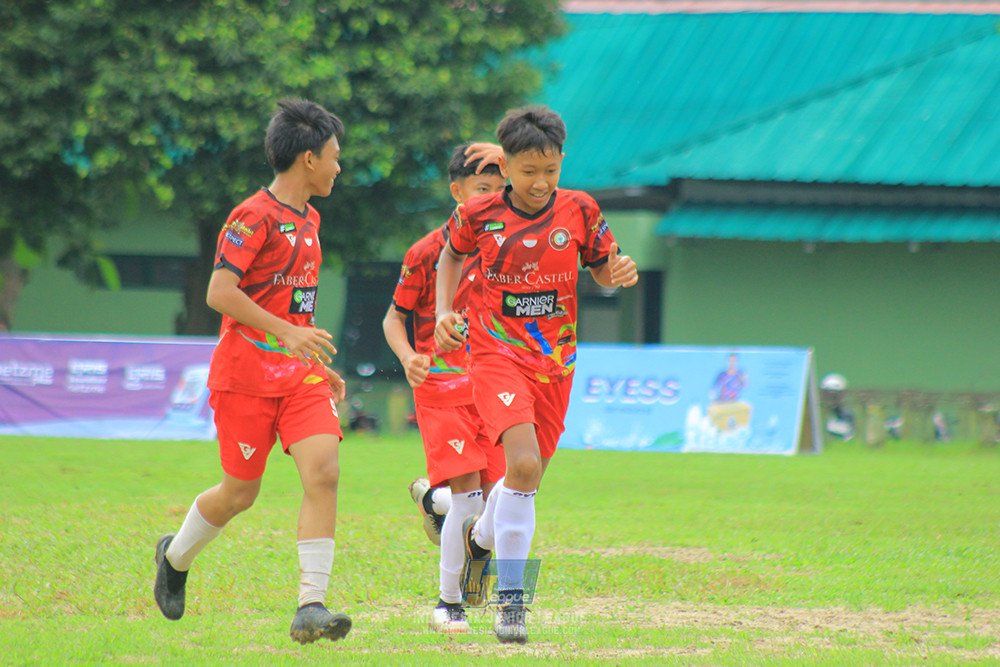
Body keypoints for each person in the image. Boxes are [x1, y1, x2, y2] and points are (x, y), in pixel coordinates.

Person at [434, 106, 639, 644]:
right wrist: (442, 313)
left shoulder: (581, 209)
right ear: (505, 165)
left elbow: (601, 264)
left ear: (561, 162)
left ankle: (479, 538)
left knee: (528, 475)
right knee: (521, 463)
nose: (540, 183)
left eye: (550, 170)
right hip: (496, 353)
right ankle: (512, 602)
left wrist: (616, 271)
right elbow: (449, 259)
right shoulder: (478, 214)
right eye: (528, 172)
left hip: (557, 363)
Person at [153, 99, 352, 645]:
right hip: (244, 378)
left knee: (324, 472)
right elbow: (221, 293)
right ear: (309, 159)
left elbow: (296, 309)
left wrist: (309, 354)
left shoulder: (311, 218)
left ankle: (311, 605)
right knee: (240, 494)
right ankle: (174, 557)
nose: (339, 167)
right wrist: (286, 332)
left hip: (298, 377)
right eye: (335, 157)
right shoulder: (251, 217)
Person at [383, 141, 508, 634]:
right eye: (483, 189)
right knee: (471, 498)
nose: (494, 199)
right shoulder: (427, 252)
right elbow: (395, 318)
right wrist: (409, 357)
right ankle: (448, 603)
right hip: (441, 388)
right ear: (457, 193)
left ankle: (434, 503)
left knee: (506, 494)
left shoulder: (512, 245)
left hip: (496, 385)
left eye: (502, 189)